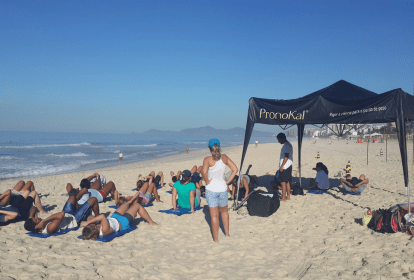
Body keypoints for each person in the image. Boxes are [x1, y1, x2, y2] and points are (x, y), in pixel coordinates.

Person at [202, 138, 238, 243]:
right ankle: (227, 234)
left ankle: (216, 239)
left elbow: (204, 172)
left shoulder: (207, 159)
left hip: (211, 190)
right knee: (224, 212)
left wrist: (207, 181)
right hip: (223, 189)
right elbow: (235, 169)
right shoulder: (225, 157)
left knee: (214, 215)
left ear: (210, 148)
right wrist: (227, 182)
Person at [80, 192, 157, 239]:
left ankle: (130, 201)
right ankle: (151, 222)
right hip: (123, 222)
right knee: (137, 205)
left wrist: (89, 221)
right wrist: (87, 223)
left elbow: (90, 217)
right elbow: (102, 217)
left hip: (113, 218)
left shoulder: (94, 228)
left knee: (126, 204)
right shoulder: (104, 231)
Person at [24, 194, 100, 234]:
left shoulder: (39, 222)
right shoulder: (48, 228)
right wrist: (44, 221)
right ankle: (98, 220)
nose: (38, 217)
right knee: (94, 199)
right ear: (36, 226)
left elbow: (33, 208)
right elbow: (61, 214)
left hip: (67, 213)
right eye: (36, 219)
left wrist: (31, 217)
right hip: (74, 218)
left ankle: (81, 209)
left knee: (72, 197)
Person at [276, 133, 293, 202]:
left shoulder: (286, 146)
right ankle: (288, 196)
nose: (278, 141)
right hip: (289, 165)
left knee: (283, 183)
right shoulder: (289, 144)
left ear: (282, 138)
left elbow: (286, 157)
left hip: (285, 167)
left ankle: (283, 198)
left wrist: (282, 166)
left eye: (279, 140)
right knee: (287, 182)